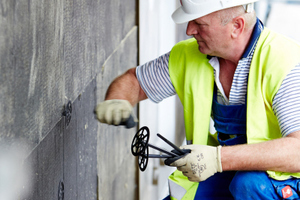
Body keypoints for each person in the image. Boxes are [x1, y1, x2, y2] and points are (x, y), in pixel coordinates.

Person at [96, 0, 300, 199]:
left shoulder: (283, 63)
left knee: (248, 185)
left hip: (284, 178)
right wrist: (118, 100)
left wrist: (216, 159)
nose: (189, 30)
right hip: (232, 167)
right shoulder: (191, 55)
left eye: (200, 24)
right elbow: (135, 81)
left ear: (236, 26)